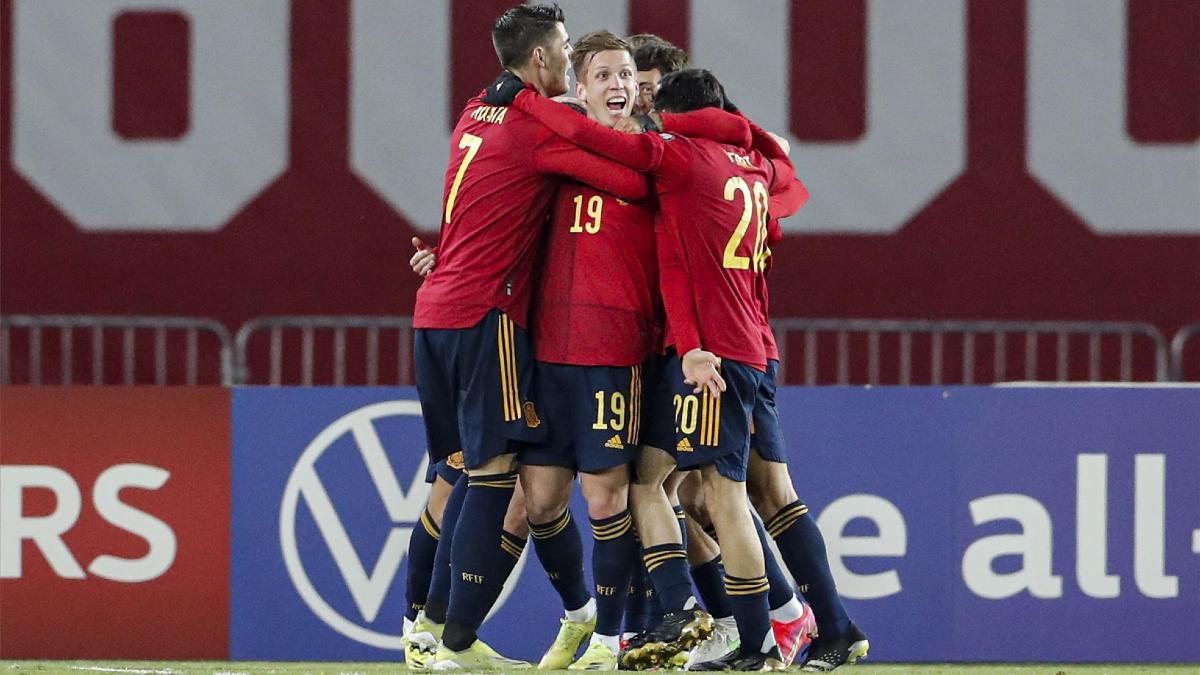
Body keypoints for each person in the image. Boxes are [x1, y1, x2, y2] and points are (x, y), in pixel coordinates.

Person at [491, 68, 802, 671]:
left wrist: (530, 106)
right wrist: (761, 142)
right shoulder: (746, 167)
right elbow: (786, 184)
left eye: (637, 82)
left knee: (722, 495)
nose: (635, 95)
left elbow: (618, 154)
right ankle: (702, 620)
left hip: (702, 354)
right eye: (608, 76)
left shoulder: (674, 159)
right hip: (722, 347)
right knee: (659, 489)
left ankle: (765, 633)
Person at [411, 3, 652, 670]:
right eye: (574, 53)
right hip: (492, 320)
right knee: (497, 483)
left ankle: (443, 627)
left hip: (441, 314)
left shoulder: (472, 113)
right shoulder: (539, 128)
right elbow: (629, 176)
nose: (585, 67)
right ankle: (450, 640)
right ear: (546, 62)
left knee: (480, 480)